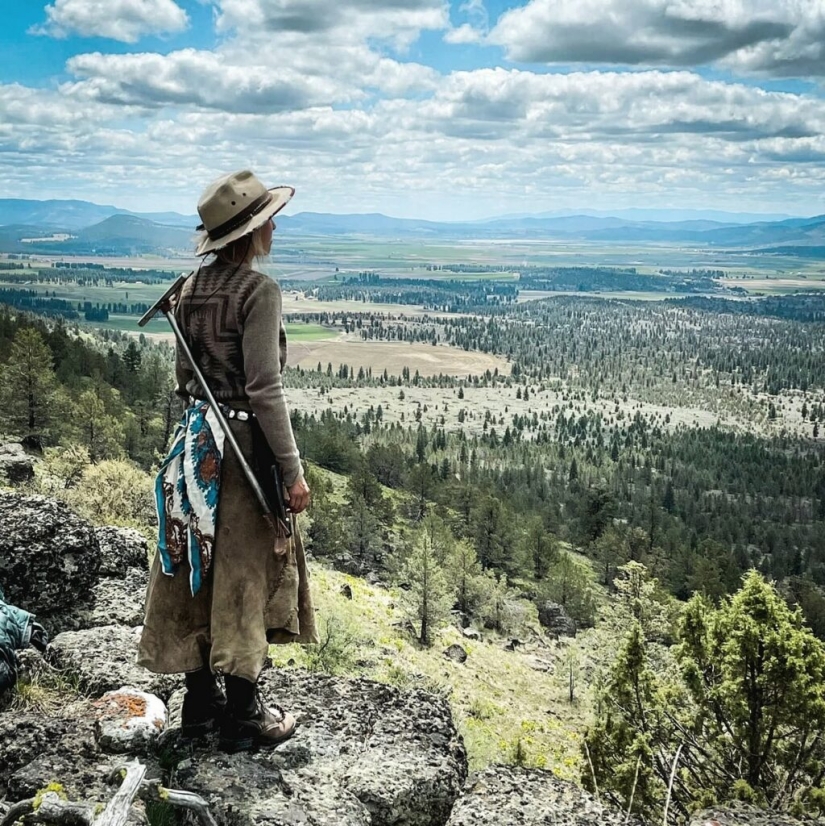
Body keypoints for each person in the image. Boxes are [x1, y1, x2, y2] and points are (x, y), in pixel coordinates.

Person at [138, 170, 318, 753]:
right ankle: (242, 711)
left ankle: (200, 701)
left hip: (194, 447)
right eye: (269, 218)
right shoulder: (258, 292)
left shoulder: (187, 290)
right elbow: (265, 388)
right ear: (254, 230)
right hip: (242, 452)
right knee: (243, 571)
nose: (274, 226)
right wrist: (291, 469)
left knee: (199, 566)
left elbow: (184, 380)